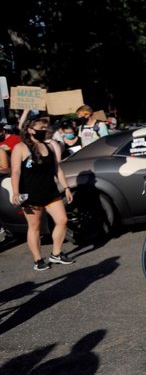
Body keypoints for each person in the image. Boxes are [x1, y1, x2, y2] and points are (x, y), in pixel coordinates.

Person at [9, 115, 75, 271]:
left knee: (62, 220)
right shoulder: (20, 148)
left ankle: (56, 254)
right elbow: (16, 172)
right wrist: (16, 192)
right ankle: (38, 260)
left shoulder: (50, 146)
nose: (45, 131)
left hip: (50, 192)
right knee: (35, 227)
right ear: (31, 130)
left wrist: (66, 188)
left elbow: (57, 169)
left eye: (46, 128)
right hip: (31, 194)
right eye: (41, 128)